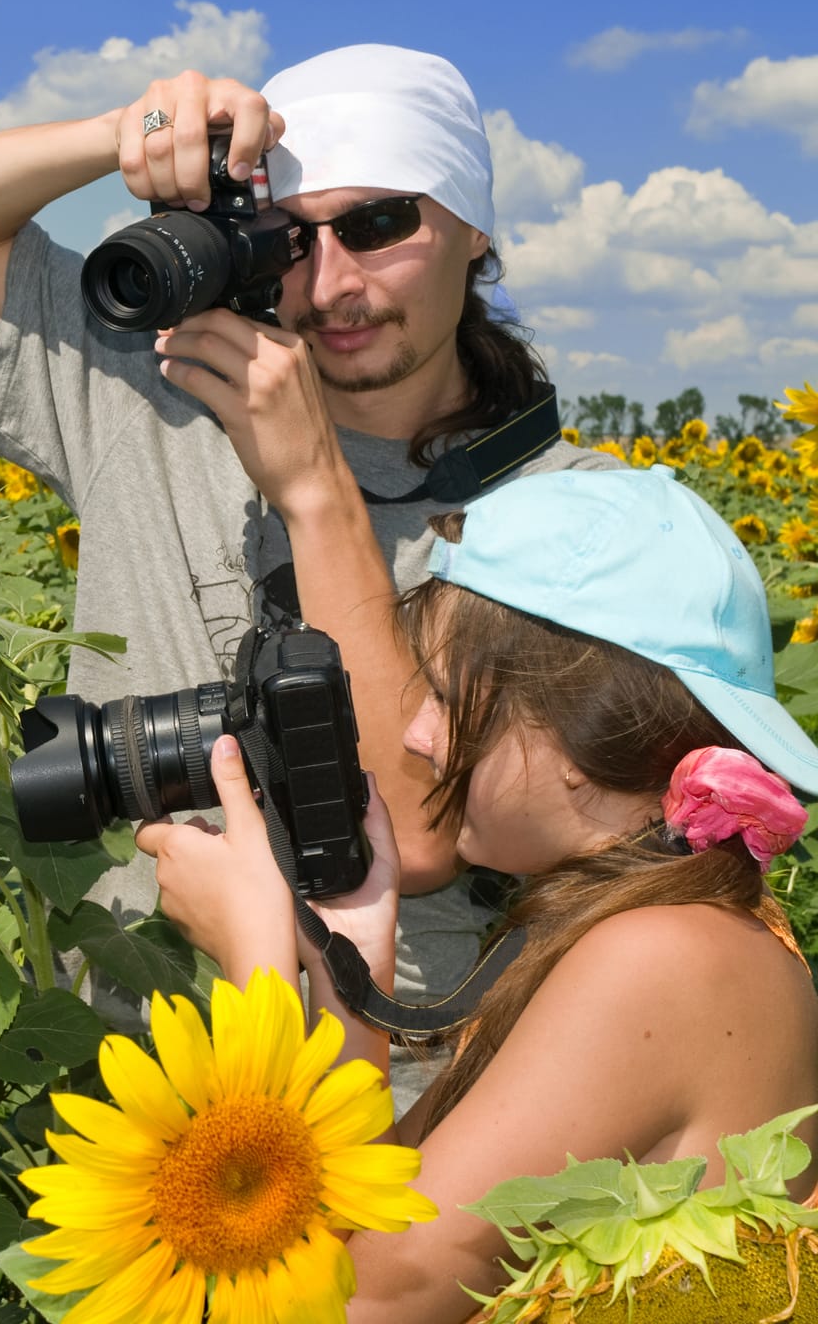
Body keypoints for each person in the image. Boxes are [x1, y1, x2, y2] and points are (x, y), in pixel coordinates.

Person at [0, 44, 616, 1103]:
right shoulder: (155, 386)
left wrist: (313, 482)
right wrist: (129, 135)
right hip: (130, 1067)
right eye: (290, 237)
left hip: (407, 1092)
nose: (333, 284)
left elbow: (413, 832)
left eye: (379, 223)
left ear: (473, 227)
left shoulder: (571, 512)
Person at [142, 465, 818, 1321]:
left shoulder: (662, 960)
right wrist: (355, 947)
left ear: (577, 733)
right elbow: (367, 1213)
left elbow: (343, 1306)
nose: (419, 738)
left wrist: (257, 964)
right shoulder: (661, 927)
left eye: (448, 696)